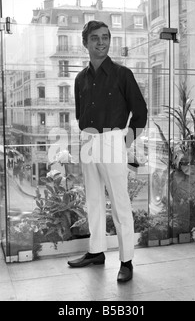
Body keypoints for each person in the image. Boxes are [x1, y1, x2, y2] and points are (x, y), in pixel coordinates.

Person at [68, 21, 148, 283]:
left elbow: (141, 113)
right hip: (88, 140)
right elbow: (81, 114)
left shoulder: (123, 74)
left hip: (114, 139)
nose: (101, 42)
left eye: (105, 37)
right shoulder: (80, 78)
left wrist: (124, 143)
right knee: (92, 200)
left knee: (120, 204)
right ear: (86, 43)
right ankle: (96, 251)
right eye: (95, 38)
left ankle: (126, 261)